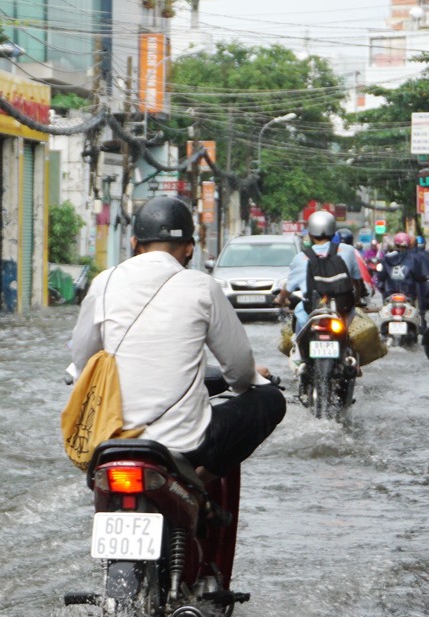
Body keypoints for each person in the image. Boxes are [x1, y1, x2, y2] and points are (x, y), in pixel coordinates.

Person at [68, 194, 285, 476]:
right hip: (187, 443)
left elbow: (83, 361)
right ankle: (202, 482)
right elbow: (240, 371)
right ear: (190, 249)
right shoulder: (202, 286)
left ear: (134, 244)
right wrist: (250, 380)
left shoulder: (102, 283)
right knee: (271, 400)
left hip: (109, 440)